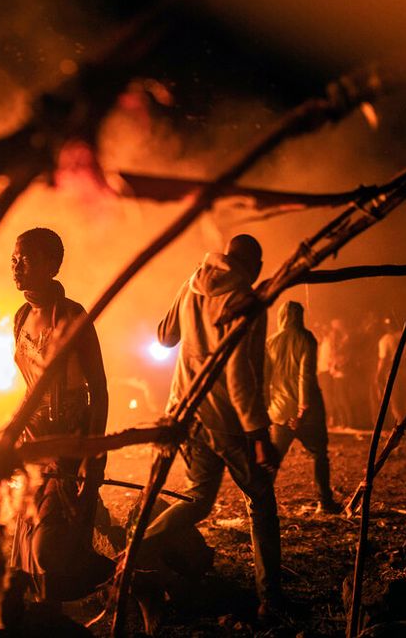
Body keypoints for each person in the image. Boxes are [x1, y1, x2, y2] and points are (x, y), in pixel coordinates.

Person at [142, 234, 283, 621]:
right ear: (254, 266)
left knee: (198, 498)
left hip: (187, 412)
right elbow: (240, 373)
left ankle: (137, 552)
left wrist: (192, 318)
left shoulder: (193, 281)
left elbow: (164, 336)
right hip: (228, 420)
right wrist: (258, 434)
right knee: (262, 504)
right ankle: (270, 598)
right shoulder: (247, 299)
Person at [8, 227, 114, 603]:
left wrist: (92, 455)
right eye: (14, 258)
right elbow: (30, 388)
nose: (16, 265)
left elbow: (98, 390)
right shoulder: (20, 317)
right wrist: (10, 432)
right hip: (32, 448)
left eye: (26, 258)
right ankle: (50, 616)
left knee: (51, 549)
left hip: (71, 444)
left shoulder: (72, 317)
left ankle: (122, 577)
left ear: (51, 265)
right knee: (27, 550)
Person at [265, 301, 342, 514]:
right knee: (319, 454)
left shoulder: (271, 342)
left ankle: (261, 503)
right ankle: (324, 502)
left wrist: (265, 409)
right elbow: (305, 375)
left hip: (279, 411)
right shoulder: (307, 338)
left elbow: (265, 380)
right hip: (308, 412)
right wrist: (302, 409)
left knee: (272, 459)